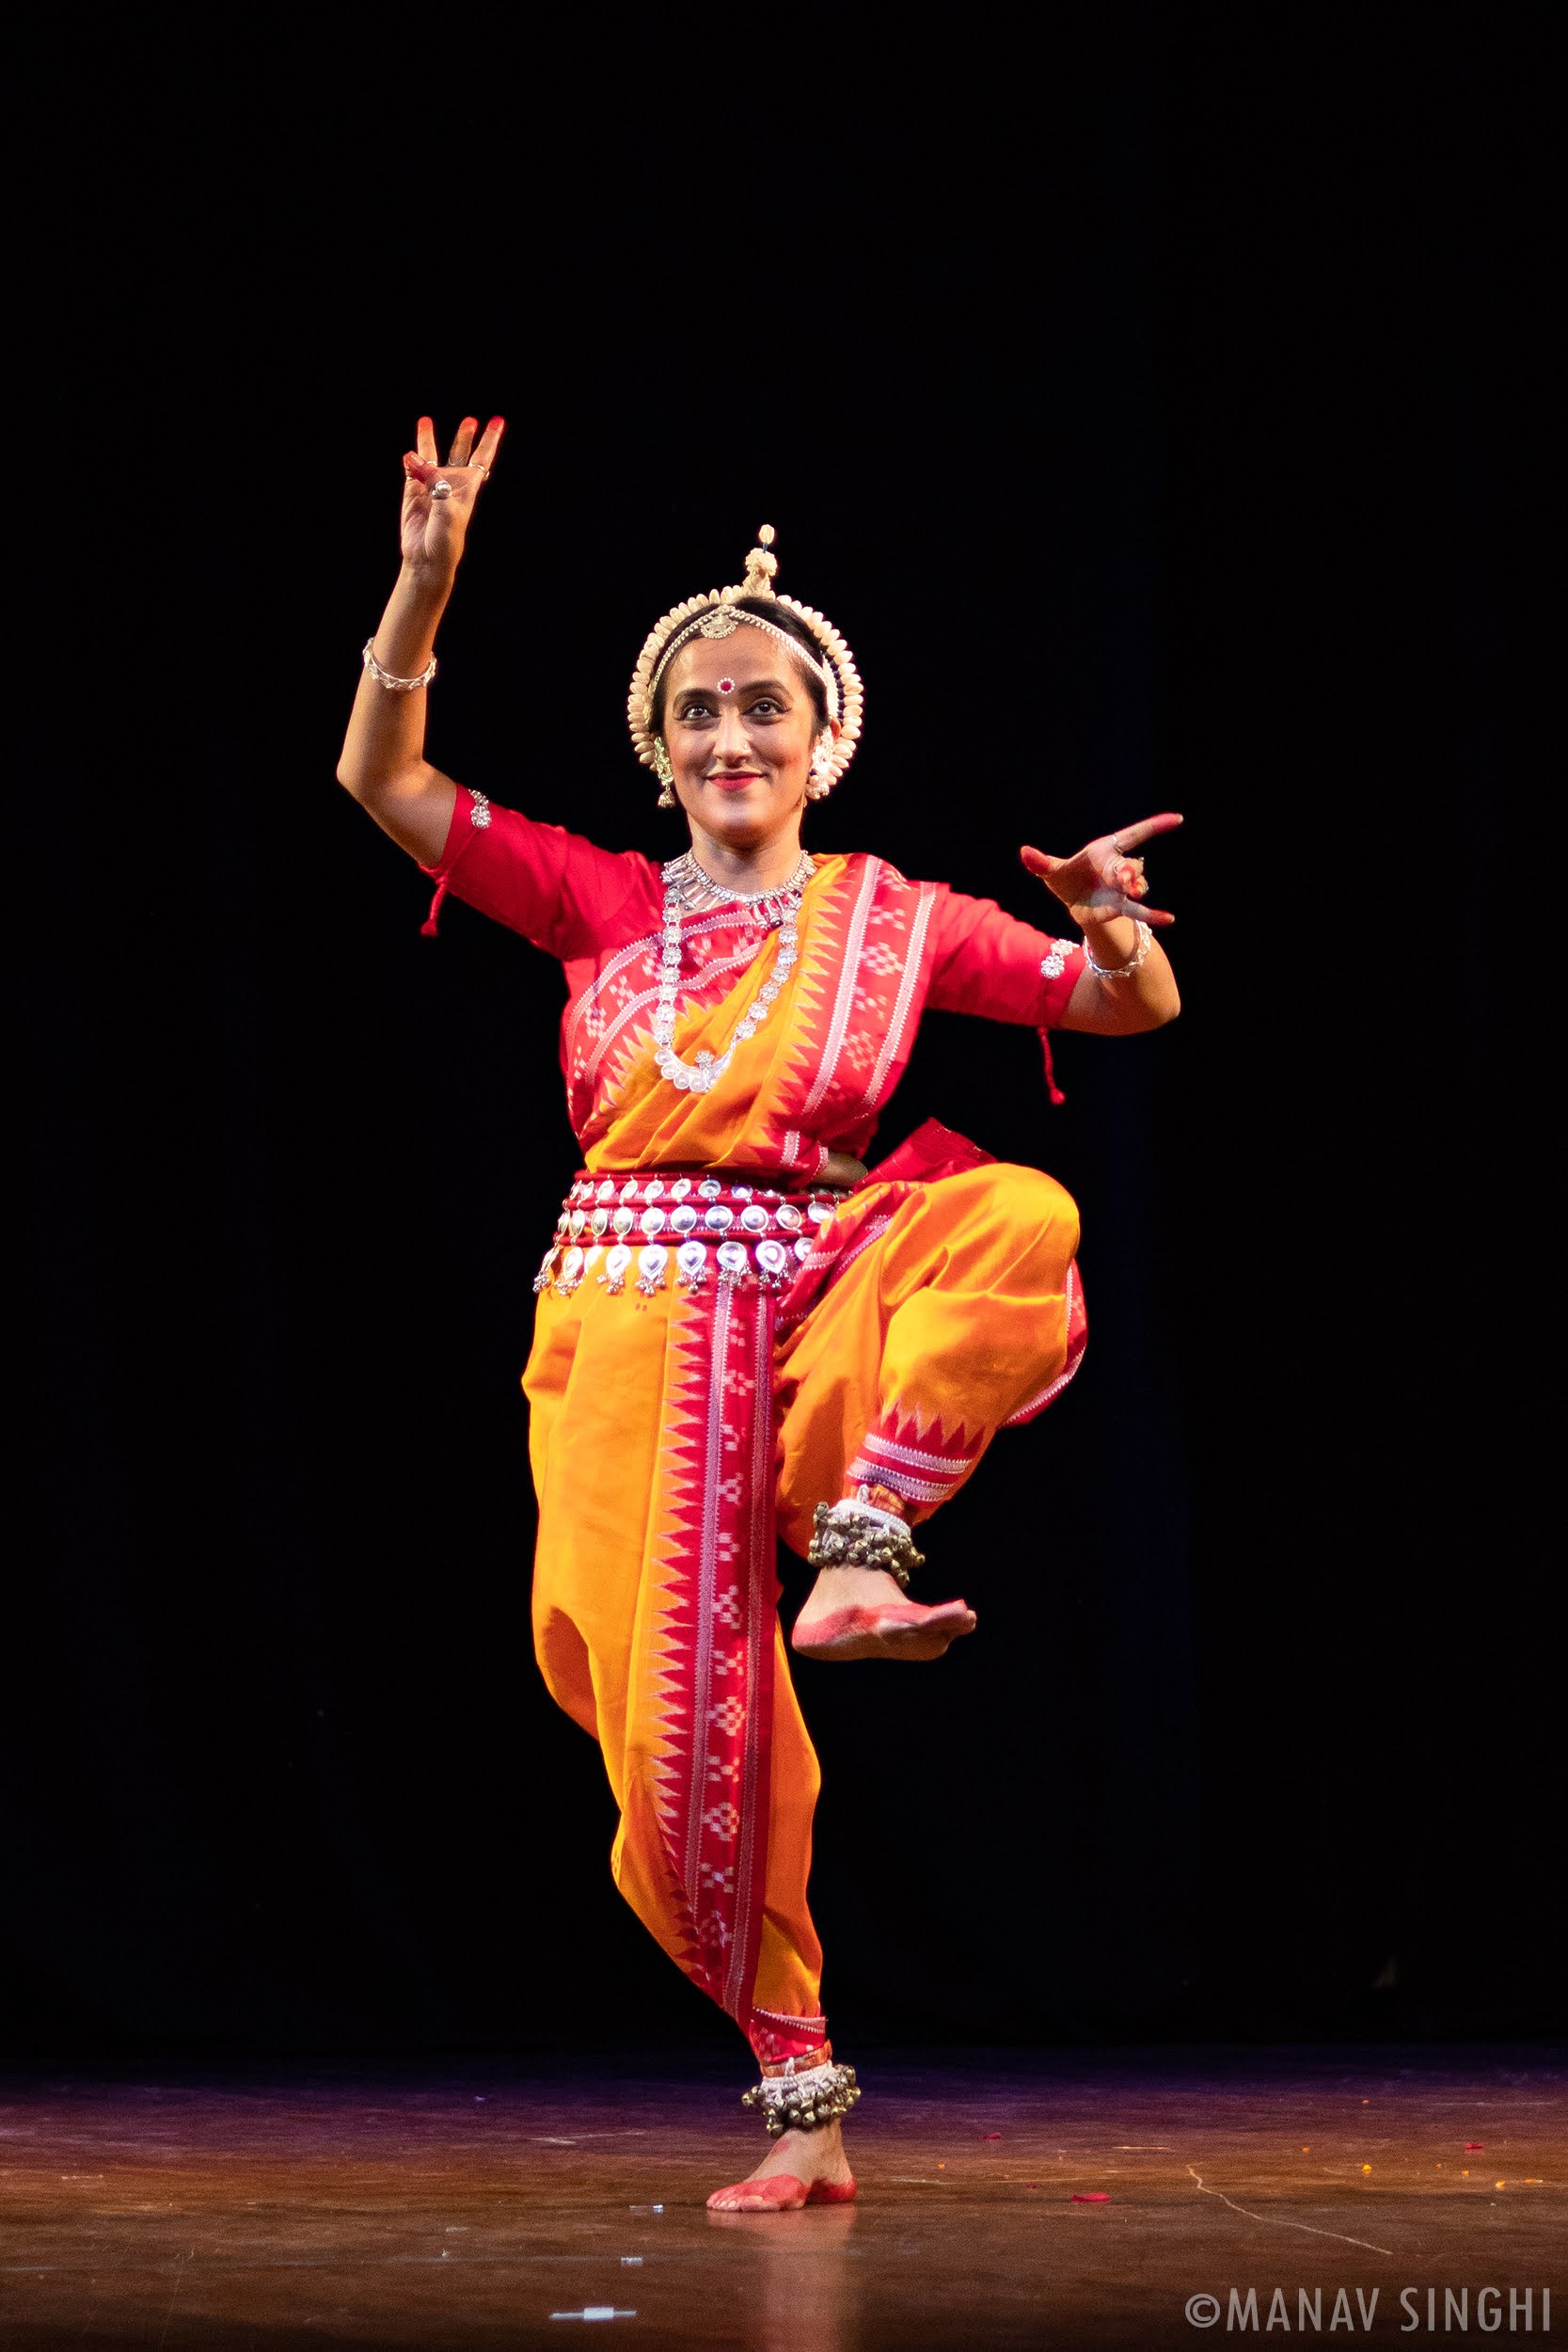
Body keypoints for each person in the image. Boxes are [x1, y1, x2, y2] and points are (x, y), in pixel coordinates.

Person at [337, 416, 1182, 2213]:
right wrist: (422, 590)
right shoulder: (599, 903)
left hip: (813, 1311)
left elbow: (1134, 1013)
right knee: (674, 1734)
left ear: (824, 744)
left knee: (1022, 1212)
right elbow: (387, 786)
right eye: (699, 713)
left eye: (764, 711)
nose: (732, 735)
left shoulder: (893, 919)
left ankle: (863, 1546)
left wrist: (1110, 929)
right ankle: (805, 2113)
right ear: (662, 753)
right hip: (629, 1340)